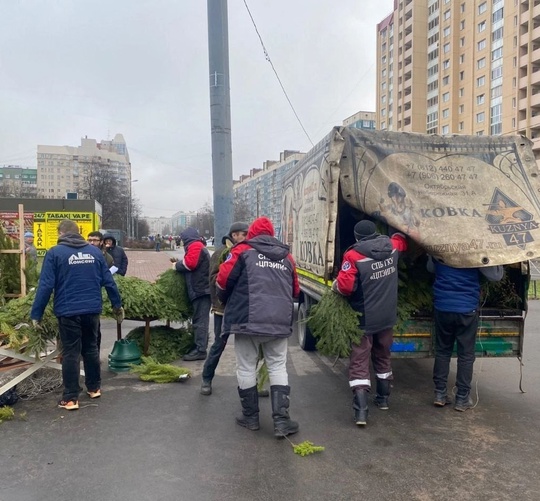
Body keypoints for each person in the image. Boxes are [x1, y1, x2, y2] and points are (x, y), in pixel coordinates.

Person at [217, 216, 300, 438]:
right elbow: (295, 290)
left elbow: (223, 280)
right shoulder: (287, 257)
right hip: (278, 322)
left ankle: (251, 418)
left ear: (252, 233)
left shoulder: (242, 251)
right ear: (272, 234)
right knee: (277, 367)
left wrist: (224, 299)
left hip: (247, 320)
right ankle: (282, 421)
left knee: (245, 367)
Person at [30, 219, 124, 411]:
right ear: (78, 233)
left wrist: (36, 314)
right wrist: (117, 305)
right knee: (90, 348)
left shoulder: (55, 253)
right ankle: (94, 387)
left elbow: (46, 286)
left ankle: (71, 397)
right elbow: (109, 281)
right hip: (92, 310)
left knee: (71, 352)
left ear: (61, 234)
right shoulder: (95, 252)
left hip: (68, 311)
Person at [333, 220, 407, 426]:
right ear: (375, 233)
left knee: (359, 361)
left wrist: (335, 287)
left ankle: (361, 412)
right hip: (387, 317)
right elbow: (401, 240)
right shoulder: (392, 247)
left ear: (357, 237)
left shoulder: (353, 255)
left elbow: (346, 287)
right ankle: (383, 400)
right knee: (383, 355)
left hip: (364, 318)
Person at [427, 256, 503, 411]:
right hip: (466, 309)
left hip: (443, 307)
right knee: (466, 355)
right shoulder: (473, 249)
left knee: (442, 351)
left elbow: (430, 268)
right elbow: (496, 276)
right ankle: (462, 398)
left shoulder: (440, 246)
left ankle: (440, 394)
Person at [200, 221, 249, 396]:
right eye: (245, 234)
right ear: (234, 235)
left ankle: (254, 383)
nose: (248, 237)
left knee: (250, 345)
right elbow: (213, 280)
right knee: (219, 344)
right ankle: (206, 378)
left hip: (242, 307)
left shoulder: (248, 252)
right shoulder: (221, 253)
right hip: (223, 307)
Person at [172, 227, 211, 361]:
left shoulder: (195, 246)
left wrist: (176, 266)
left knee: (200, 321)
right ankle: (199, 346)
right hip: (201, 289)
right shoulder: (196, 246)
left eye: (182, 239)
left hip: (200, 290)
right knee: (199, 320)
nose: (182, 242)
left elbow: (190, 264)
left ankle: (200, 350)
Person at [87, 231, 115, 351]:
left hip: (96, 294)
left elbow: (109, 278)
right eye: (90, 240)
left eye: (95, 240)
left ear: (101, 242)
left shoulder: (107, 258)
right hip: (85, 292)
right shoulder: (83, 253)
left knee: (95, 330)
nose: (92, 243)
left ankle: (95, 353)